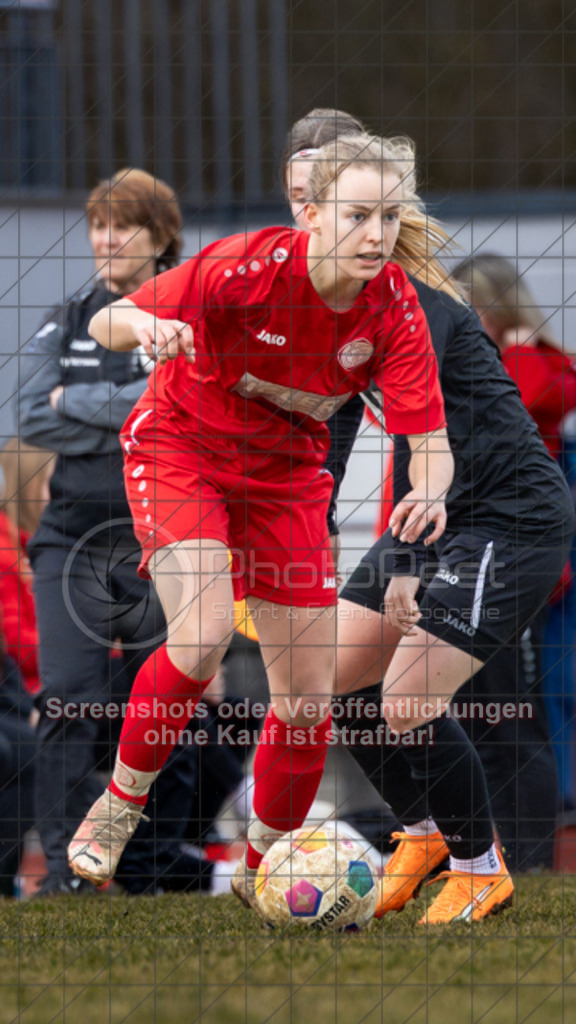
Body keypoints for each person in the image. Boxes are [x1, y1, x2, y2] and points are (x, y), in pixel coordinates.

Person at [65, 133, 454, 906]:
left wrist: (433, 491)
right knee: (204, 633)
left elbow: (430, 440)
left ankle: (262, 868)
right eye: (357, 216)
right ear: (312, 215)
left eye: (388, 217)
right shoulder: (245, 267)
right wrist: (145, 328)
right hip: (182, 450)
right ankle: (119, 804)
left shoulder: (394, 309)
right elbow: (109, 321)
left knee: (307, 700)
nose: (376, 235)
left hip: (286, 482)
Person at [17, 167, 200, 896]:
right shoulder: (67, 318)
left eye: (123, 225)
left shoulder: (191, 308)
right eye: (98, 225)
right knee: (68, 699)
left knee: (167, 703)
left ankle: (151, 869)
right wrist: (131, 407)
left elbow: (183, 404)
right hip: (71, 540)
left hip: (169, 535)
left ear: (161, 237)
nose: (106, 239)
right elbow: (32, 414)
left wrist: (80, 400)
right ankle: (65, 877)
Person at [453, 254, 576, 816]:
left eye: (471, 307)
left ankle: (530, 853)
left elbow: (524, 403)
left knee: (515, 718)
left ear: (499, 308)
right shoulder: (466, 362)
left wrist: (520, 348)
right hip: (465, 560)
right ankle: (488, 845)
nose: (461, 318)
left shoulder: (537, 365)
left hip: (517, 564)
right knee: (475, 717)